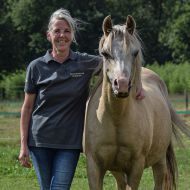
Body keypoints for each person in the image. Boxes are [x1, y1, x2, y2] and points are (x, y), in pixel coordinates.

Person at [18, 8, 144, 190]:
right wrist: (23, 145)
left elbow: (119, 61)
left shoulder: (86, 63)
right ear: (48, 35)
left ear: (73, 36)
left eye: (67, 31)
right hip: (39, 142)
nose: (62, 35)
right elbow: (27, 108)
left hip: (70, 143)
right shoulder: (35, 67)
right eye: (57, 31)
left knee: (59, 188)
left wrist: (138, 82)